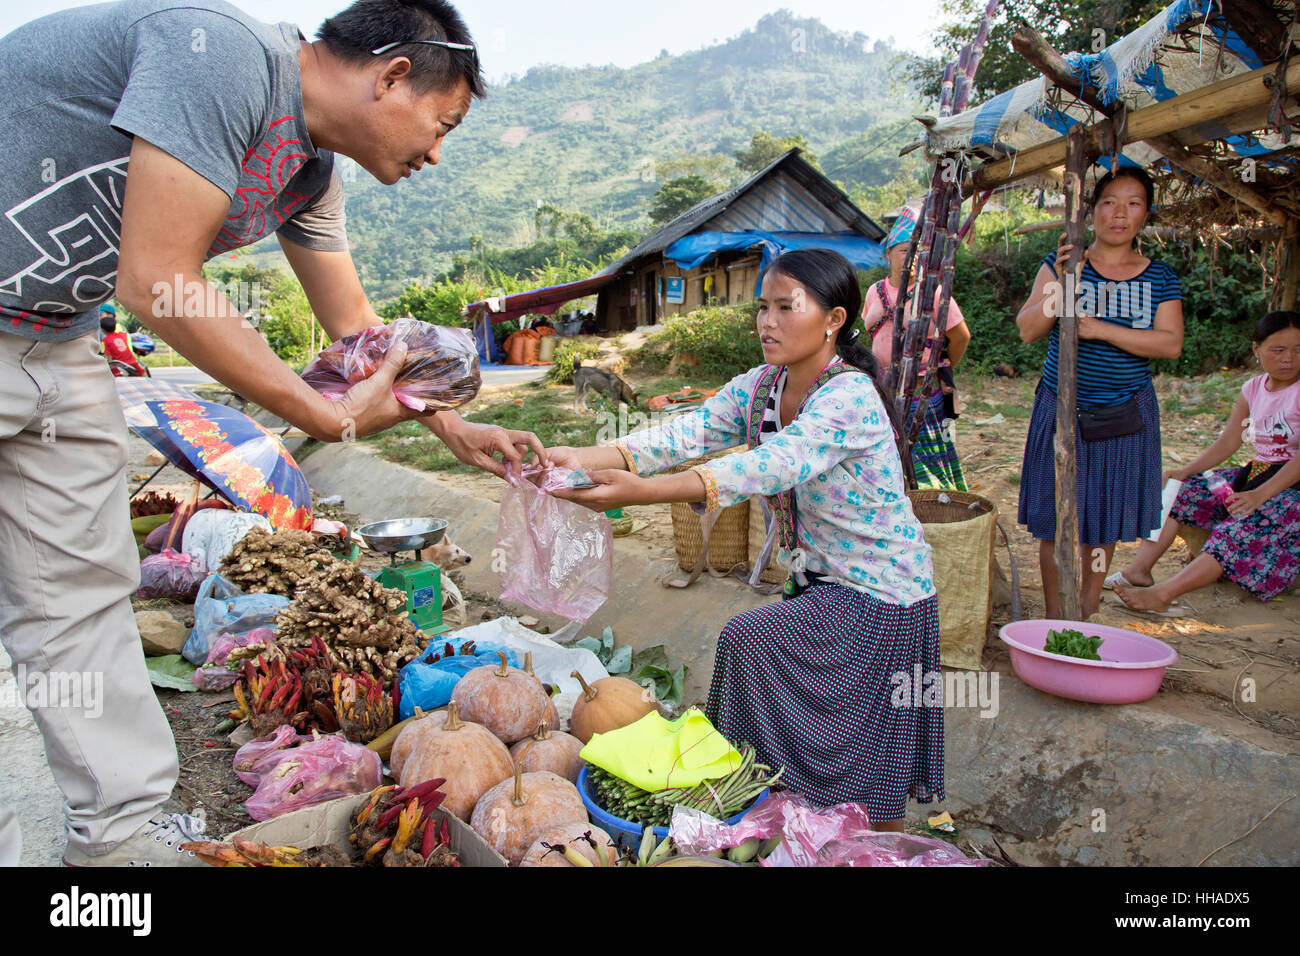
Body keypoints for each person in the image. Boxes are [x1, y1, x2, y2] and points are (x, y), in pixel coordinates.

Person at [0, 0, 546, 867]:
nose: (437, 154)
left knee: (81, 591)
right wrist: (323, 416)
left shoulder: (309, 175)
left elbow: (359, 334)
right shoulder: (217, 55)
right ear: (393, 74)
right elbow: (156, 281)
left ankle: (114, 845)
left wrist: (451, 425)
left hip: (56, 337)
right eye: (441, 125)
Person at [548, 249, 942, 830]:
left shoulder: (849, 397)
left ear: (833, 319)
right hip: (822, 585)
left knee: (784, 673)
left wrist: (639, 493)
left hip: (884, 596)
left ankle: (823, 824)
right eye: (762, 308)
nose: (767, 322)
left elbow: (768, 466)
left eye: (786, 308)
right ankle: (770, 806)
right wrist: (574, 457)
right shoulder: (762, 387)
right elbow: (686, 432)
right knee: (762, 656)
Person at [1015, 167, 1184, 619]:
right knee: (1054, 522)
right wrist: (1067, 281)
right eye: (1110, 201)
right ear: (1093, 211)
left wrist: (1100, 329)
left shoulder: (1159, 277)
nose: (1120, 213)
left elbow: (1170, 342)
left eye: (1133, 203)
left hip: (1123, 413)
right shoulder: (1061, 264)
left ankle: (1085, 616)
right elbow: (1028, 329)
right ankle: (1055, 618)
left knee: (1102, 523)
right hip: (1060, 409)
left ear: (1145, 214)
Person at [1112, 311, 1300, 612]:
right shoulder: (1253, 388)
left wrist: (1260, 496)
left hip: (1291, 487)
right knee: (1182, 491)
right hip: (1257, 476)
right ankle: (1140, 570)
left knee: (1239, 526)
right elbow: (1230, 440)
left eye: (1299, 349)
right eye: (1278, 350)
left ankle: (1165, 594)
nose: (1289, 358)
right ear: (1257, 349)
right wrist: (1185, 471)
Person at [861, 203, 972, 490]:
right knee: (889, 451)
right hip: (883, 387)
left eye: (918, 251)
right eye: (903, 250)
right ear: (888, 254)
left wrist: (940, 367)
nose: (910, 257)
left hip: (923, 389)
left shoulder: (932, 292)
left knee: (928, 455)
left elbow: (961, 336)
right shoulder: (875, 291)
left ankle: (933, 503)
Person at [99, 311, 150, 377]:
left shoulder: (106, 340)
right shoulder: (123, 335)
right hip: (132, 362)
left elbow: (109, 356)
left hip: (119, 364)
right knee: (142, 372)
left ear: (102, 329)